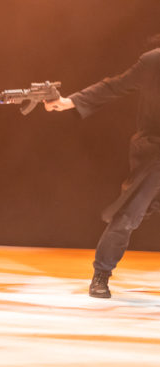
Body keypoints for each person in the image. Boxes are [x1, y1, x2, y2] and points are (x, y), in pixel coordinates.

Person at [45, 35, 160, 298]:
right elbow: (115, 86)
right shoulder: (154, 61)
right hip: (155, 151)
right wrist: (69, 102)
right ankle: (101, 274)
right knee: (129, 215)